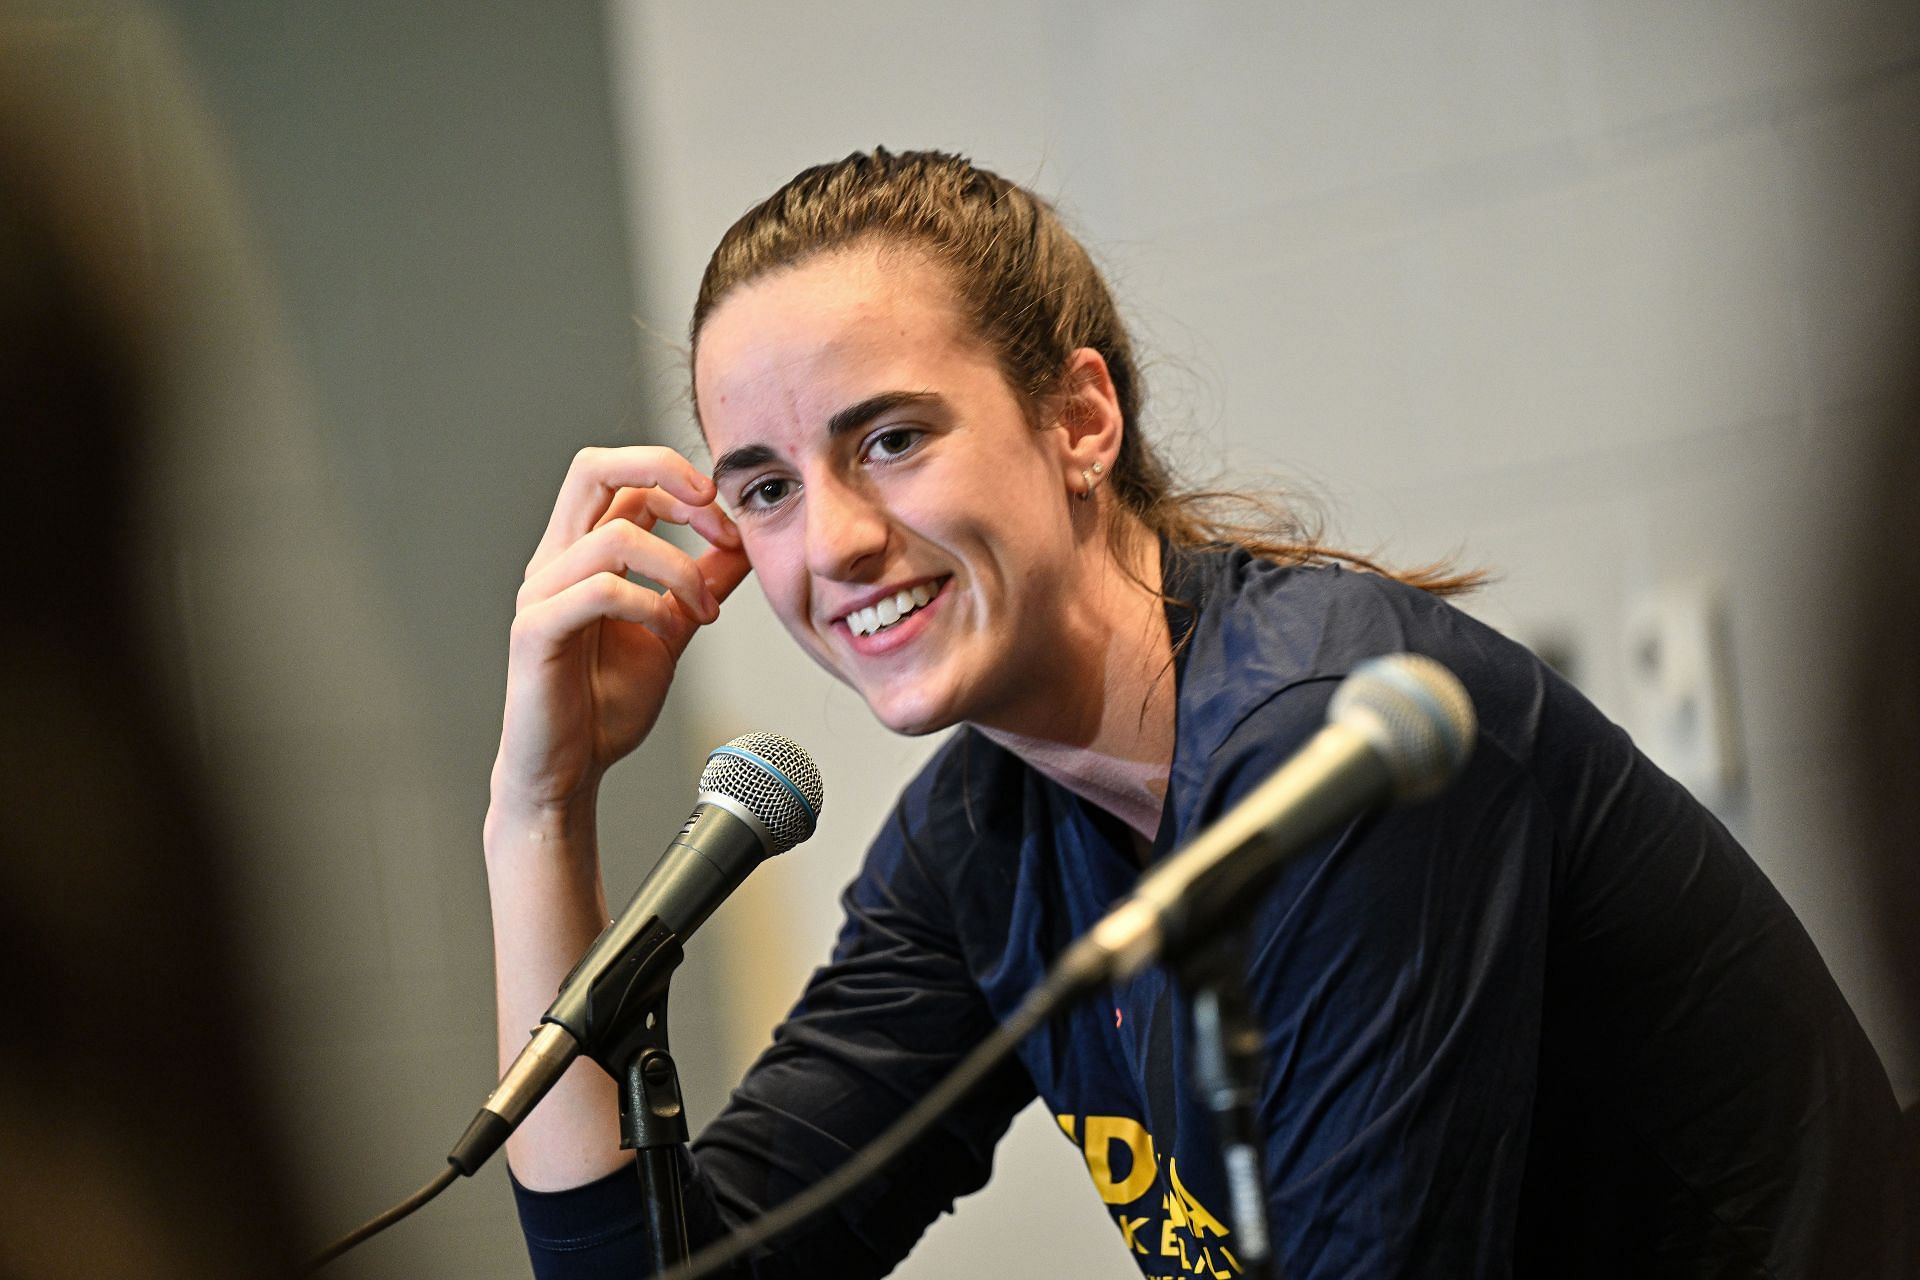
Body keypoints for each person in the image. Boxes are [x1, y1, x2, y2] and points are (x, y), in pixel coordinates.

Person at [485, 148, 1904, 1278]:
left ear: (1080, 422)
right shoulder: (981, 839)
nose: (835, 542)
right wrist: (537, 817)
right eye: (767, 487)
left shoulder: (1327, 745)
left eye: (894, 439)